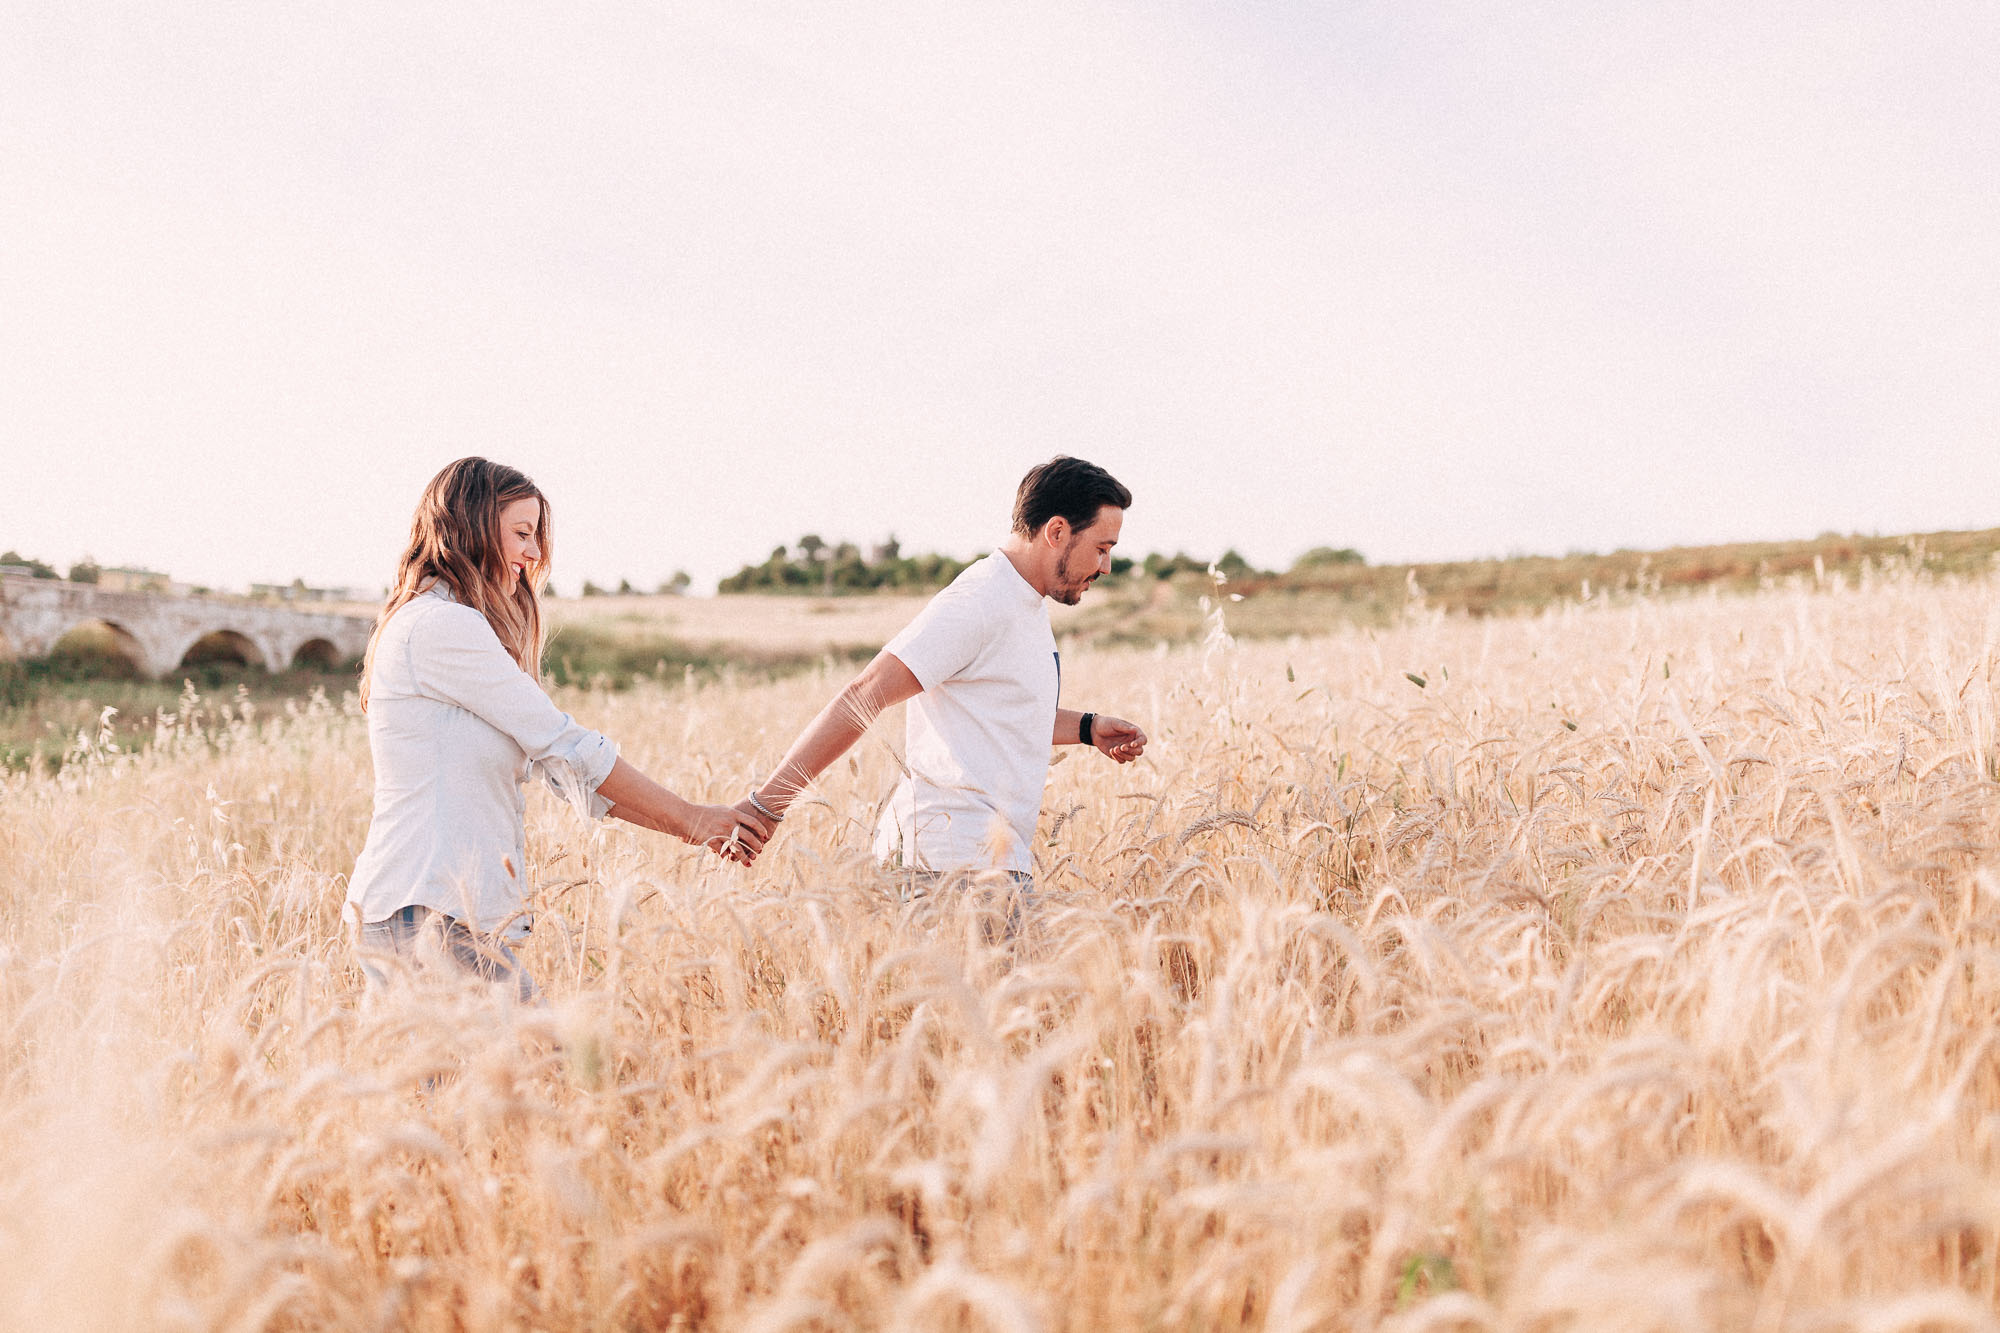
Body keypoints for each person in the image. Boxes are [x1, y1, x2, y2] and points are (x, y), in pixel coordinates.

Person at [345, 457, 771, 1002]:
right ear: (472, 525)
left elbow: (566, 772)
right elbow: (566, 743)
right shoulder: (441, 626)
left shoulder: (448, 624)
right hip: (424, 913)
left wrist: (699, 830)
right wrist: (694, 818)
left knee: (478, 1086)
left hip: (440, 912)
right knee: (536, 1064)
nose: (535, 552)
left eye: (537, 535)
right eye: (522, 533)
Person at [735, 456, 1147, 907]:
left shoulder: (1023, 603)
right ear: (1057, 532)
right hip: (953, 869)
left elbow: (1001, 715)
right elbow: (864, 694)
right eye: (1102, 548)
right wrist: (765, 806)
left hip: (980, 864)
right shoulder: (979, 602)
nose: (1106, 567)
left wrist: (1088, 728)